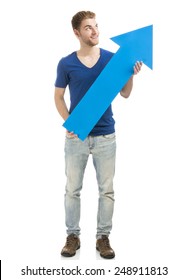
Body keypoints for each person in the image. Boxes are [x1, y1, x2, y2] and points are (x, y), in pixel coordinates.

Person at [54, 11, 142, 259]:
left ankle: (103, 238)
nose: (95, 31)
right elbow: (58, 97)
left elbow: (125, 94)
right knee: (72, 189)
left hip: (106, 136)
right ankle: (73, 237)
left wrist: (131, 75)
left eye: (96, 26)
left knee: (107, 191)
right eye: (88, 28)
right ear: (77, 33)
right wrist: (69, 122)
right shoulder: (66, 63)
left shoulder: (111, 60)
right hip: (76, 137)